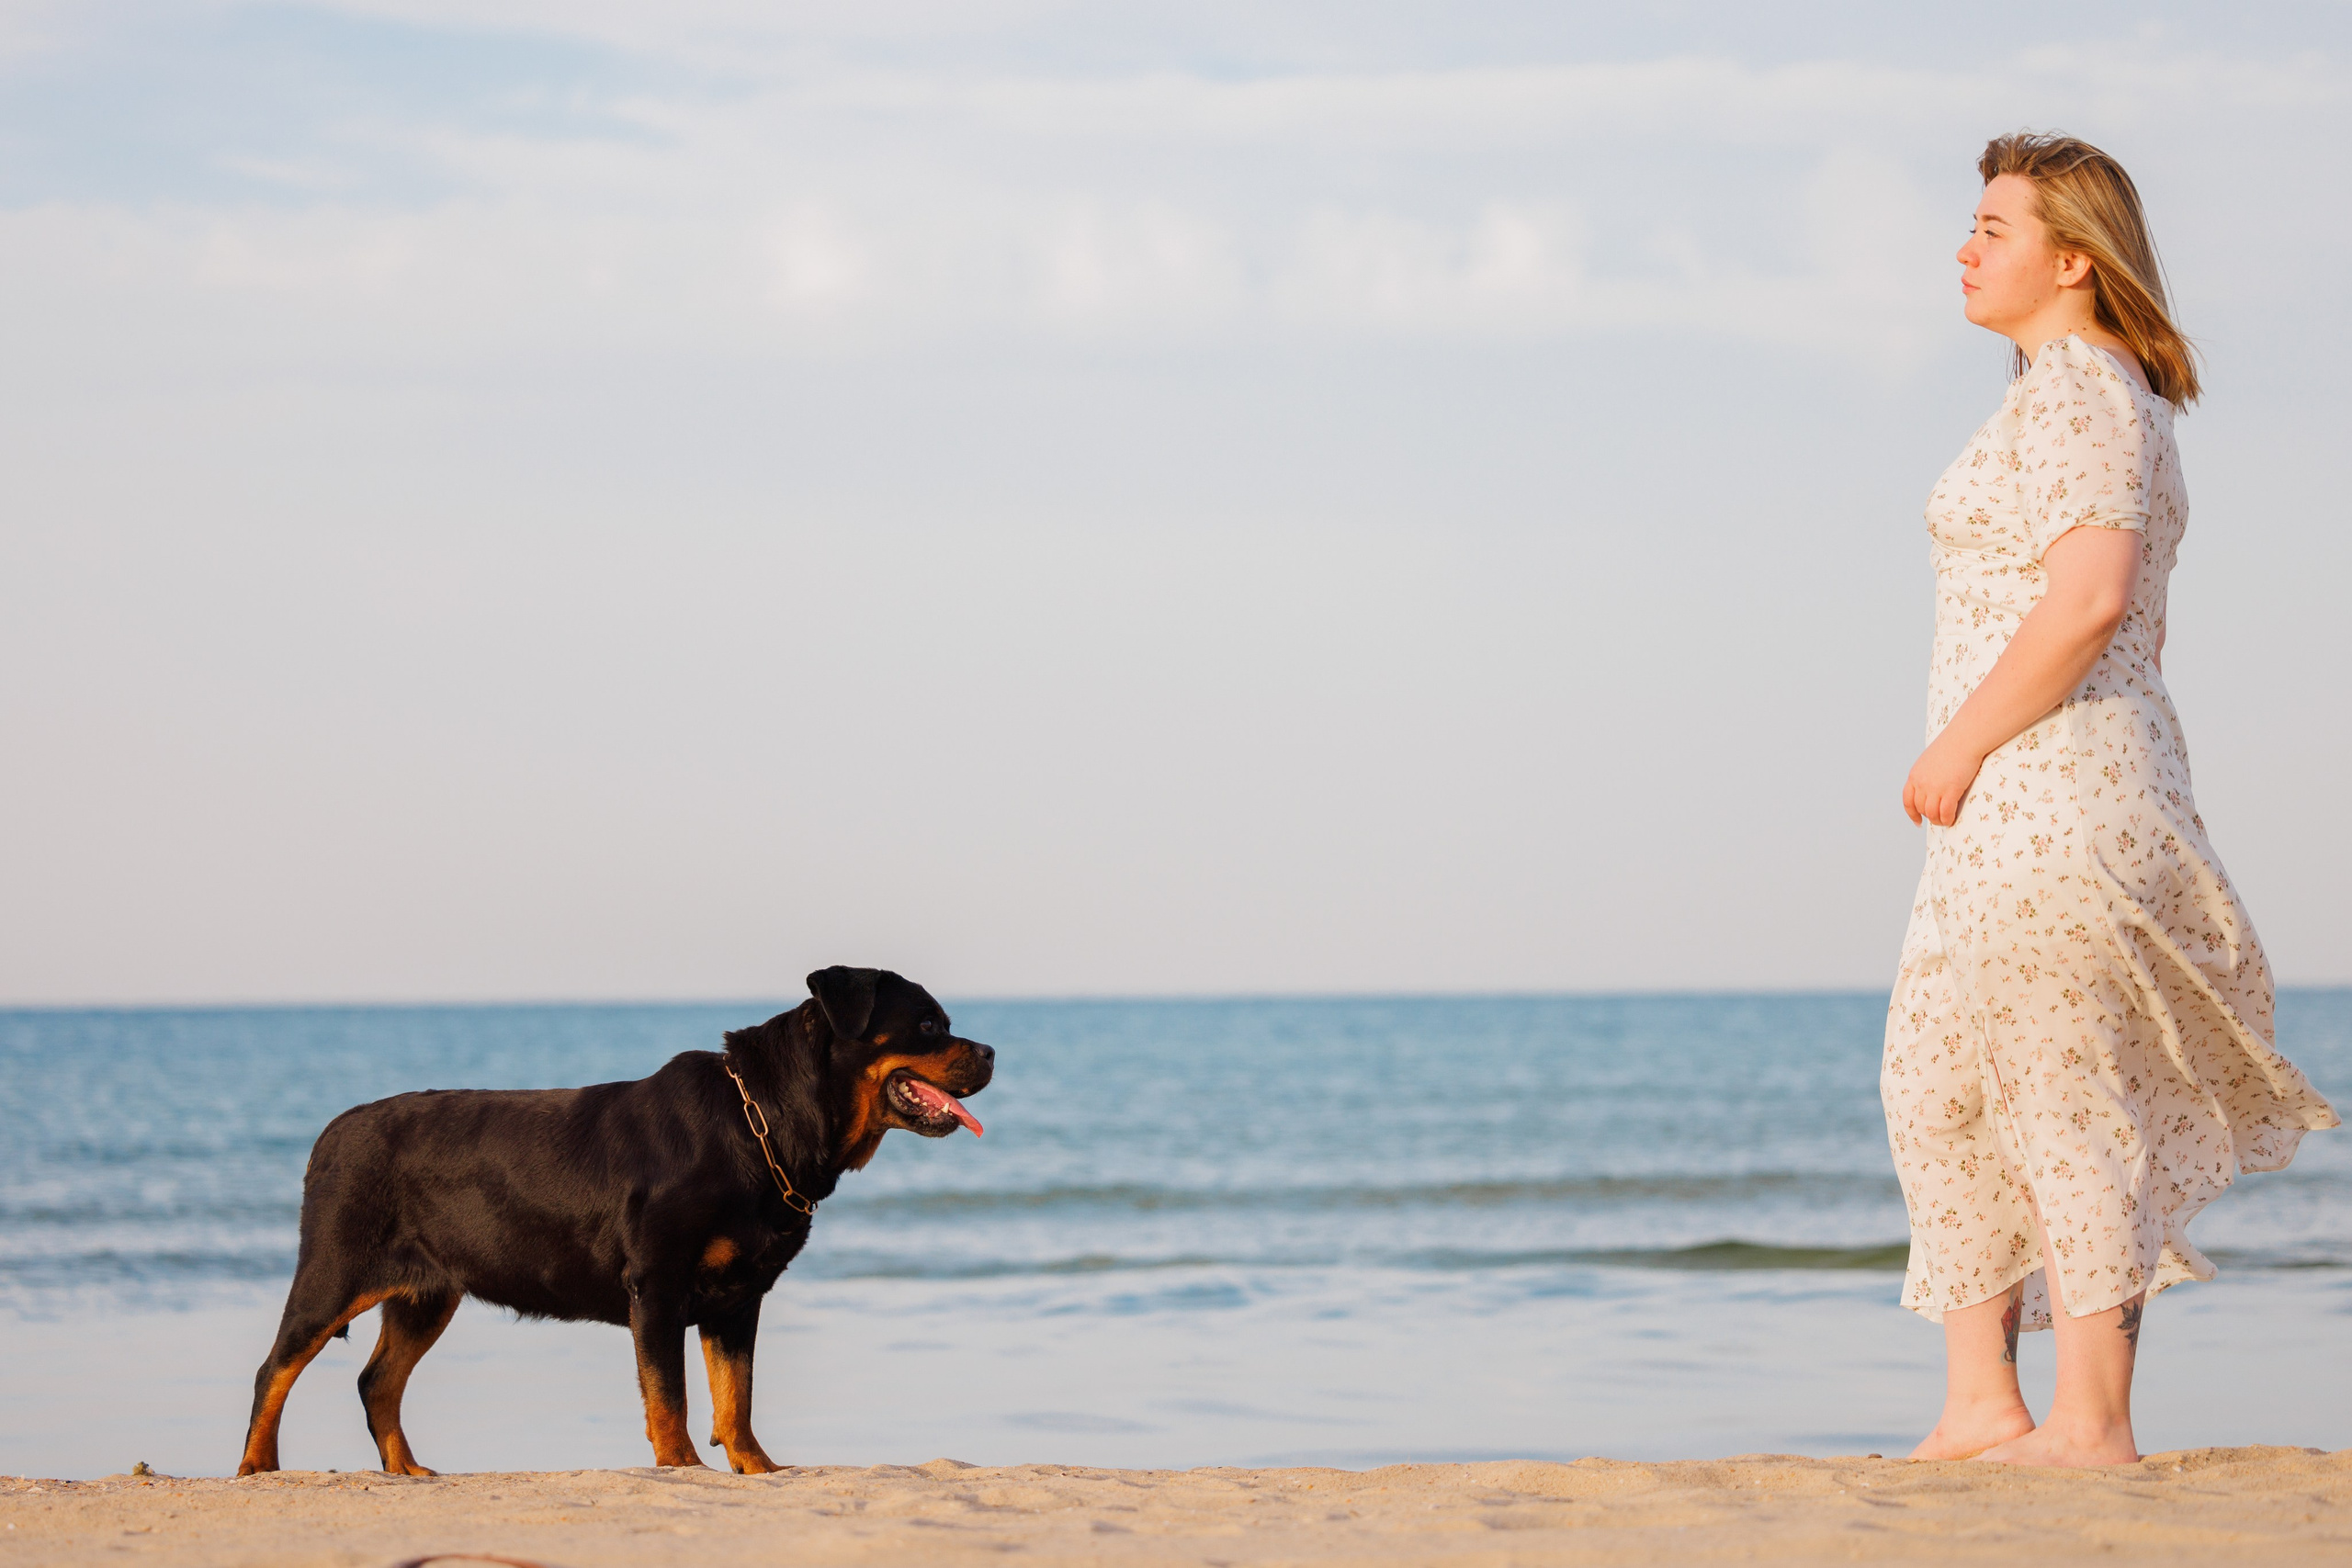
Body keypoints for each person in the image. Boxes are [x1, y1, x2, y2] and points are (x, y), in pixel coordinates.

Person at [1880, 131, 2338, 1468]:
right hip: (2004, 809)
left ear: (2074, 259)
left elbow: (2090, 600)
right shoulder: (2046, 397)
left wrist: (1958, 745)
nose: (1966, 248)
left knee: (2064, 1091)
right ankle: (1982, 1407)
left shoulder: (2088, 389)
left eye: (1994, 227)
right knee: (1939, 1080)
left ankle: (2091, 1425)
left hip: (2060, 788)